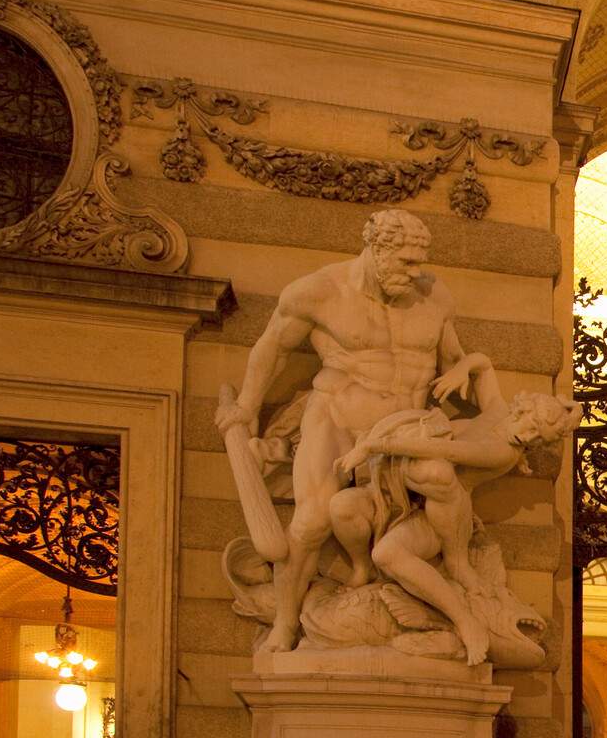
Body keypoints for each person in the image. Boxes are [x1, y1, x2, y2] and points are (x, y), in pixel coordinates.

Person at [216, 210, 467, 654]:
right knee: (310, 521)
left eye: (419, 261)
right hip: (337, 415)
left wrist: (474, 377)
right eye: (406, 262)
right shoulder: (319, 292)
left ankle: (437, 592)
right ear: (376, 250)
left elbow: (453, 359)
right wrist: (246, 409)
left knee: (428, 503)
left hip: (404, 429)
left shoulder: (433, 296)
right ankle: (285, 626)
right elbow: (271, 349)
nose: (416, 272)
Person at [330, 354, 579, 664]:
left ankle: (465, 622)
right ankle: (360, 568)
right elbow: (485, 365)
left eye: (540, 438)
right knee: (341, 508)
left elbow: (444, 451)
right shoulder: (497, 412)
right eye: (536, 428)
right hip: (401, 492)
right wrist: (463, 369)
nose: (532, 437)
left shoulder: (503, 453)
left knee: (394, 545)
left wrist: (372, 446)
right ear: (526, 410)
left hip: (445, 511)